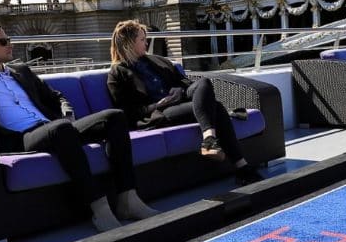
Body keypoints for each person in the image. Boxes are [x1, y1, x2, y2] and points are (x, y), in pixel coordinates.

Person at [0, 20, 156, 232]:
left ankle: (127, 198)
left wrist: (66, 111)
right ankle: (99, 208)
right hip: (20, 138)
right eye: (3, 41)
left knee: (114, 117)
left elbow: (55, 96)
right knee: (61, 130)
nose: (10, 45)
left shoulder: (21, 70)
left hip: (54, 127)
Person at [107, 20, 263, 185]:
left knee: (203, 83)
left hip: (179, 100)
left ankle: (209, 140)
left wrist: (178, 90)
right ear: (129, 43)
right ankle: (240, 166)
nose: (147, 42)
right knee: (215, 106)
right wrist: (158, 105)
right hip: (158, 112)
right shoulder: (117, 74)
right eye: (142, 39)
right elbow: (128, 112)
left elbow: (185, 82)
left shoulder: (157, 61)